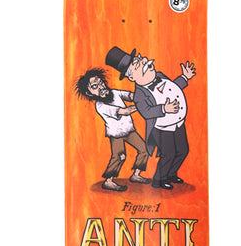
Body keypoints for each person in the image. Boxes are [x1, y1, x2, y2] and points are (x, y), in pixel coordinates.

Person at [105, 47, 195, 190]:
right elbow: (146, 112)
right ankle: (159, 179)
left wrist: (184, 77)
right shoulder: (139, 95)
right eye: (137, 65)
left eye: (140, 59)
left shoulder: (159, 75)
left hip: (178, 123)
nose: (144, 61)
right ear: (132, 77)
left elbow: (172, 87)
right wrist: (164, 109)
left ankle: (171, 174)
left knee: (183, 150)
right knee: (169, 154)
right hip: (162, 129)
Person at [75, 67, 151, 192]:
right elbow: (125, 111)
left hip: (129, 129)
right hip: (116, 134)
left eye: (101, 83)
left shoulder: (114, 93)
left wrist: (142, 94)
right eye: (95, 86)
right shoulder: (101, 106)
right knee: (120, 156)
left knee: (144, 149)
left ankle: (136, 175)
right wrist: (143, 105)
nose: (101, 87)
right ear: (89, 93)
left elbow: (130, 95)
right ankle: (108, 181)